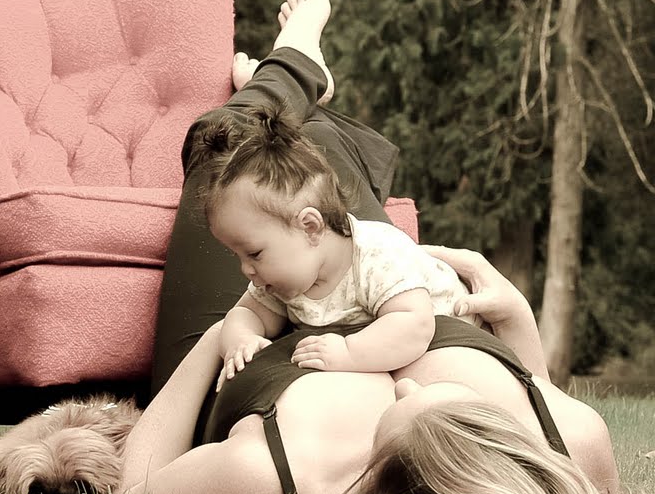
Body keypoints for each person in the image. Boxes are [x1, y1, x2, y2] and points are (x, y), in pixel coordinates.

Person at [115, 0, 644, 494]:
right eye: (475, 416)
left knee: (226, 139)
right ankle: (292, 87)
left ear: (393, 481)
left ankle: (290, 72)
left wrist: (225, 334)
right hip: (374, 282)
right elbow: (534, 385)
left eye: (410, 405)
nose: (401, 386)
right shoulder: (575, 446)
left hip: (274, 326)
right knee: (309, 174)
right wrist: (515, 313)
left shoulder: (268, 478)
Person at [191, 104, 477, 389]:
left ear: (310, 227)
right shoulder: (282, 281)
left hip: (456, 334)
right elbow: (246, 314)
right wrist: (241, 340)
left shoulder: (376, 256)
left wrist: (348, 352)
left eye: (254, 254)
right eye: (238, 256)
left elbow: (415, 326)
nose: (246, 269)